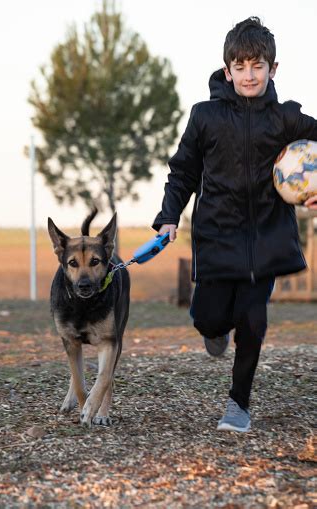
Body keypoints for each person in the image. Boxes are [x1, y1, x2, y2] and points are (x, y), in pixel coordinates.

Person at [152, 16, 317, 432]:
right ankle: (214, 328)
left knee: (253, 319)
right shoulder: (204, 116)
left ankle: (238, 405)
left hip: (267, 238)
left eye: (257, 66)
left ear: (272, 69)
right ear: (227, 70)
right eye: (240, 67)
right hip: (216, 237)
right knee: (208, 319)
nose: (249, 75)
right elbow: (183, 171)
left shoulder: (286, 119)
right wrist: (169, 215)